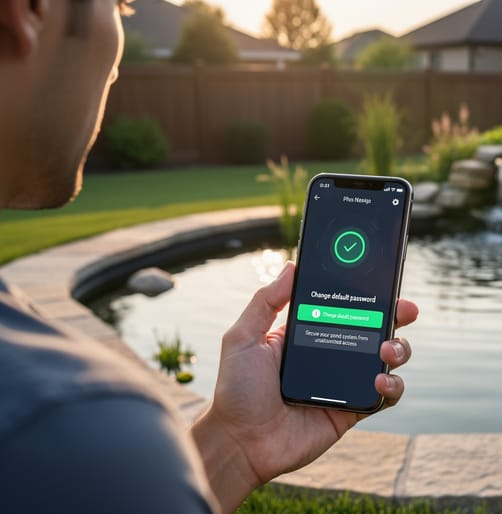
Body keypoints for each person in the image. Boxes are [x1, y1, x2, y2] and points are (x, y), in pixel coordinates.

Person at [0, 1, 418, 512]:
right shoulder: (77, 429)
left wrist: (237, 442)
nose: (115, 58)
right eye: (118, 5)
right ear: (30, 10)